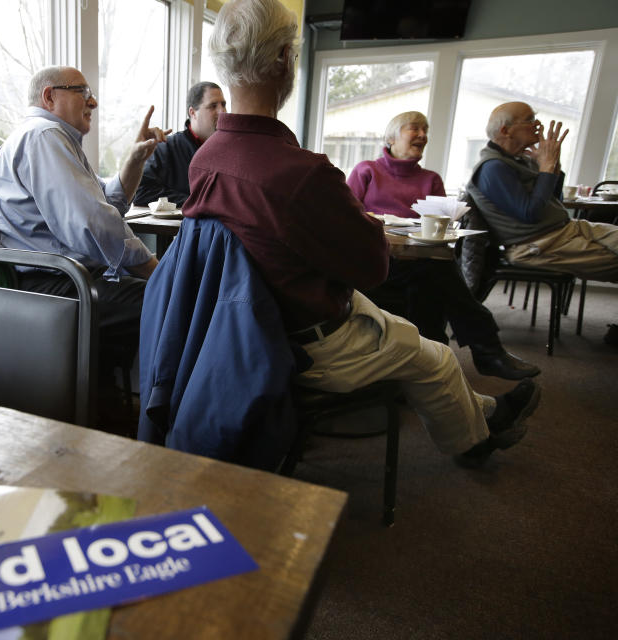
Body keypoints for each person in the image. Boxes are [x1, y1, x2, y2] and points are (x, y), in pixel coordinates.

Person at [183, 0, 540, 468]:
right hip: (304, 340)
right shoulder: (302, 173)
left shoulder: (205, 160)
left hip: (245, 326)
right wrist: (364, 224)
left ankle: (484, 411)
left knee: (409, 333)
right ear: (285, 61)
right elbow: (373, 267)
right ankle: (476, 444)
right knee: (436, 358)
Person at [0, 66, 166, 372]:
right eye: (83, 92)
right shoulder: (43, 136)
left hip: (66, 279)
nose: (93, 102)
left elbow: (108, 204)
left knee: (167, 293)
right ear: (49, 97)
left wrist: (136, 158)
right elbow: (92, 222)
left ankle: (114, 402)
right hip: (53, 286)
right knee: (176, 302)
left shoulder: (50, 139)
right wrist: (158, 272)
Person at [347, 111, 539, 380]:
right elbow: (346, 221)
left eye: (425, 130)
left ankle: (427, 366)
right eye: (414, 129)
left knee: (429, 277)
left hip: (420, 260)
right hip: (379, 261)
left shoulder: (431, 179)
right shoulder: (366, 170)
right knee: (436, 274)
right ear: (391, 137)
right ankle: (484, 349)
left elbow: (441, 228)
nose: (423, 135)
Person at [466, 101, 618, 340]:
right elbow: (529, 214)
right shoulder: (492, 168)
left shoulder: (519, 161)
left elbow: (553, 202)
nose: (537, 125)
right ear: (505, 130)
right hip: (538, 244)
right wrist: (546, 168)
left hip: (566, 230)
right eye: (529, 120)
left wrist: (551, 167)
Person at [134, 81, 227, 207]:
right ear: (192, 112)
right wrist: (197, 203)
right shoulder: (166, 149)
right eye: (213, 106)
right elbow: (141, 192)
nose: (222, 111)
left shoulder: (229, 152)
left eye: (223, 104)